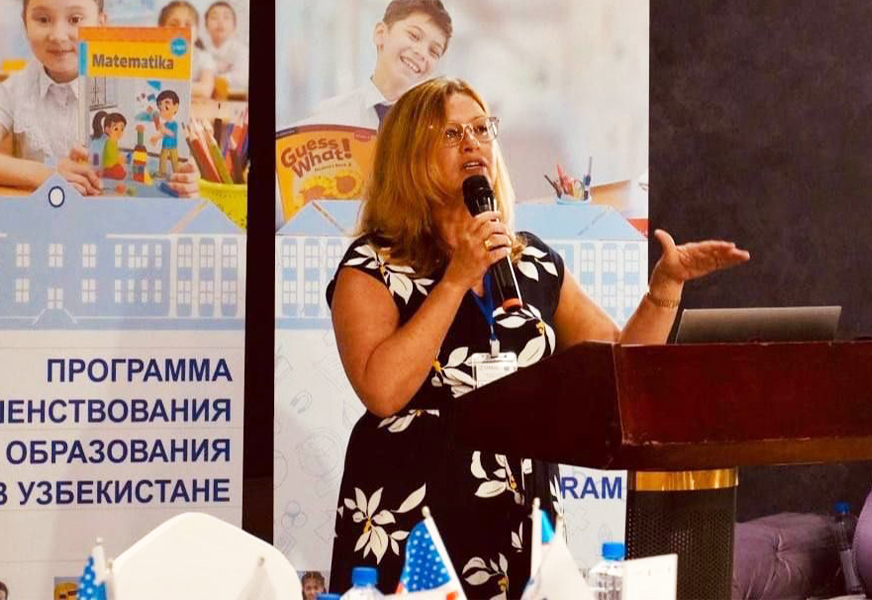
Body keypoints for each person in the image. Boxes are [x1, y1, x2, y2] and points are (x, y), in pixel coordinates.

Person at [325, 77, 750, 598]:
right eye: (452, 133)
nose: (473, 144)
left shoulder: (531, 261)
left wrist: (664, 288)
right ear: (409, 155)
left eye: (482, 129)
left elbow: (617, 368)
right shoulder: (373, 265)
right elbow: (382, 390)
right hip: (410, 524)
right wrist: (457, 278)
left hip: (521, 519)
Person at [0, 0, 198, 196]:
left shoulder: (130, 83)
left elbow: (180, 169)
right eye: (43, 19)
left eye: (75, 19)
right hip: (43, 222)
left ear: (101, 24)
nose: (58, 35)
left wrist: (188, 181)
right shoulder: (16, 89)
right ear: (25, 25)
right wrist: (46, 174)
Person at [301, 0, 452, 129]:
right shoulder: (328, 118)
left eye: (433, 51)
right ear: (381, 34)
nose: (422, 53)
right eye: (413, 36)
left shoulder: (433, 133)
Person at [158, 1, 216, 100]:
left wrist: (166, 86)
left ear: (197, 33)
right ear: (160, 30)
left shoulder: (204, 58)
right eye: (173, 24)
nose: (181, 29)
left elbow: (205, 90)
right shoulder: (155, 57)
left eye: (188, 25)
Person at [203, 1, 249, 92]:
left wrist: (209, 79)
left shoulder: (242, 51)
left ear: (234, 26)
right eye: (214, 17)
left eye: (226, 17)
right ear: (206, 26)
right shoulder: (202, 52)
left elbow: (243, 78)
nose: (220, 22)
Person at [149, 90, 181, 178]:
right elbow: (163, 134)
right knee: (162, 159)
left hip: (173, 146)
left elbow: (171, 134)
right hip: (165, 145)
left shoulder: (174, 124)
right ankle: (162, 172)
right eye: (160, 108)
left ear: (175, 107)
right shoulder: (165, 124)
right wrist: (156, 138)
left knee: (174, 160)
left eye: (166, 107)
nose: (162, 110)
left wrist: (163, 130)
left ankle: (177, 173)